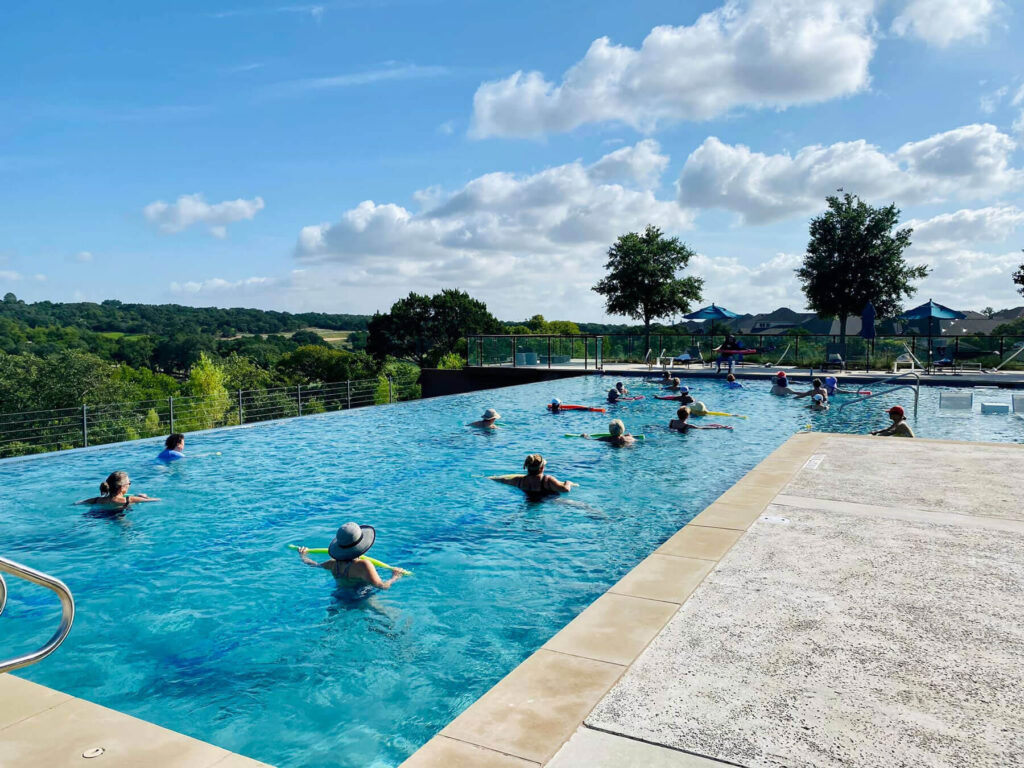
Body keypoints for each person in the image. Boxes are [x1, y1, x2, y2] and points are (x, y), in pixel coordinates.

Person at [297, 523, 404, 589]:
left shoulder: (333, 563)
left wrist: (303, 556)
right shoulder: (364, 565)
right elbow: (382, 586)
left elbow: (315, 565)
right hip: (361, 599)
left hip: (339, 598)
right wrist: (395, 576)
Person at [489, 454, 576, 497]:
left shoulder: (518, 480)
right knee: (582, 506)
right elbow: (565, 490)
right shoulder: (547, 480)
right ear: (542, 468)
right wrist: (568, 482)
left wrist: (491, 478)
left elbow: (502, 480)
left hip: (528, 501)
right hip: (549, 501)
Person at [78, 471, 159, 506]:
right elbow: (156, 500)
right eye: (129, 483)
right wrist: (145, 497)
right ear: (122, 487)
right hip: (117, 515)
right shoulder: (128, 500)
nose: (129, 485)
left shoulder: (96, 500)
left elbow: (78, 503)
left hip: (98, 515)